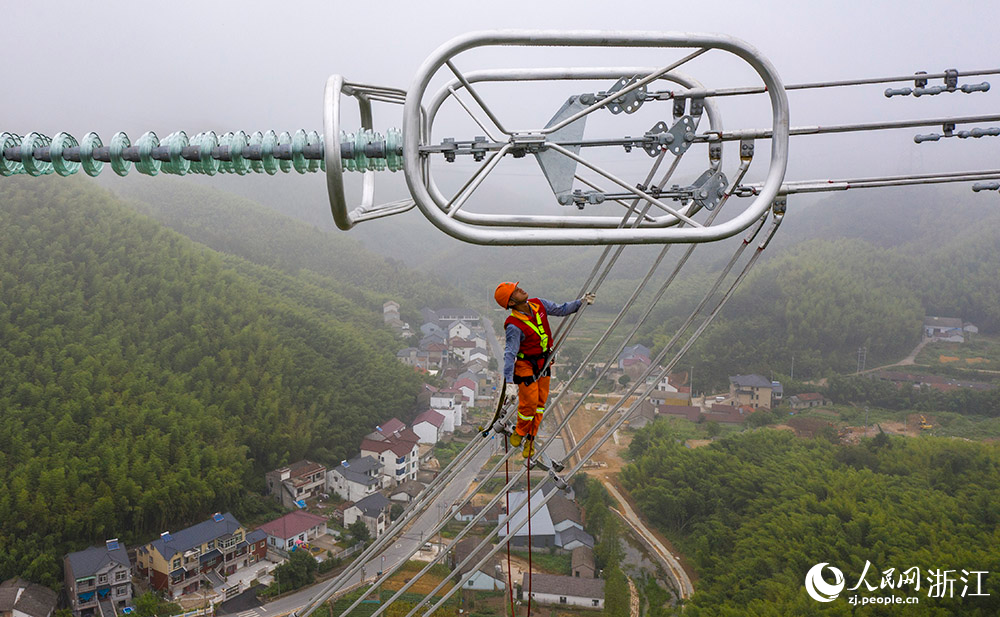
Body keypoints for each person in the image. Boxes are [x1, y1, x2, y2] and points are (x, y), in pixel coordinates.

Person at [494, 282, 595, 458]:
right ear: (511, 302)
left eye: (518, 287)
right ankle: (520, 431)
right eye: (516, 291)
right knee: (529, 404)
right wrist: (510, 383)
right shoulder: (514, 325)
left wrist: (581, 302)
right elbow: (510, 354)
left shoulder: (538, 304)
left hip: (544, 362)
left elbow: (561, 309)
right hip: (525, 367)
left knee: (540, 404)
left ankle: (530, 441)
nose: (521, 289)